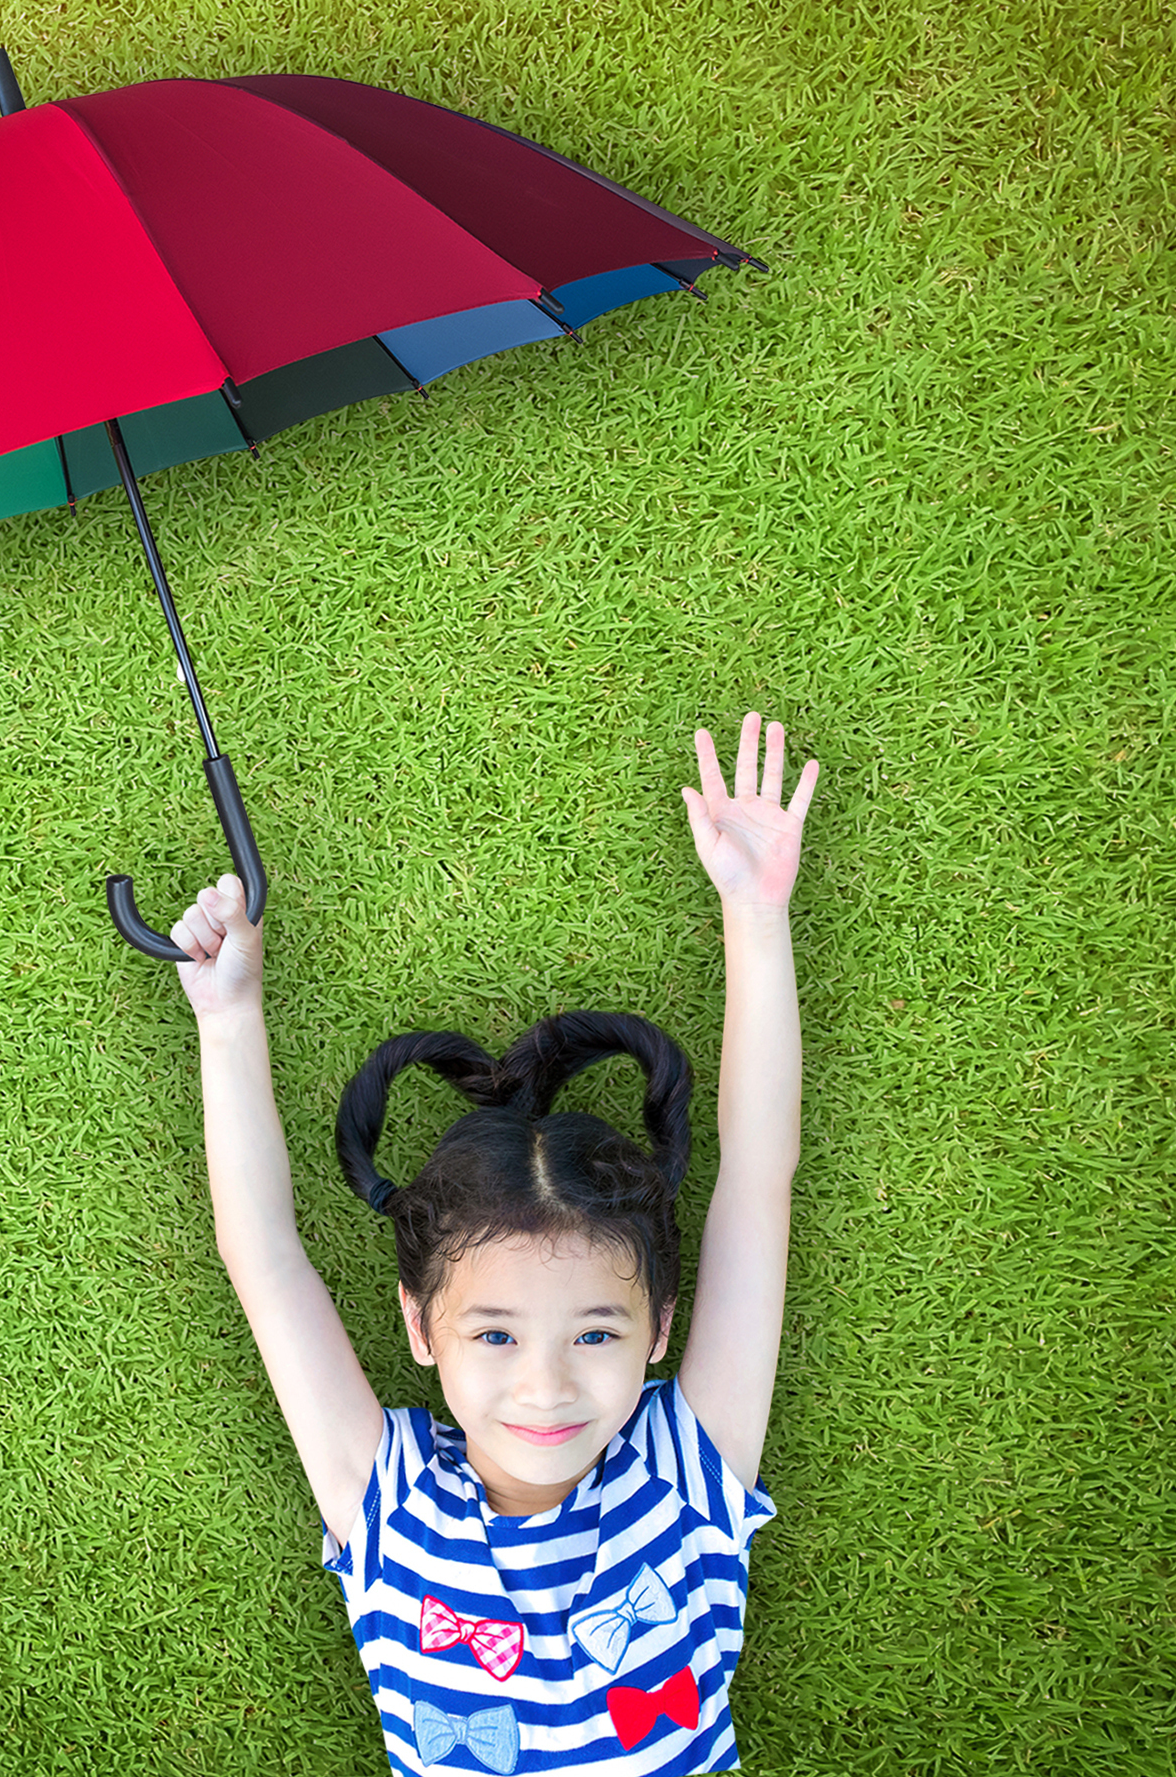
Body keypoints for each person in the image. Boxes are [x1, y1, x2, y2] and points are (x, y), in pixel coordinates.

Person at [171, 713, 818, 1775]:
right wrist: (225, 1016)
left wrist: (758, 918)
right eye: (498, 1335)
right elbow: (265, 1257)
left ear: (661, 1327)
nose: (549, 1386)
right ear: (420, 1328)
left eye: (598, 1332)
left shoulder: (687, 1470)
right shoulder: (387, 1503)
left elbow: (756, 1185)